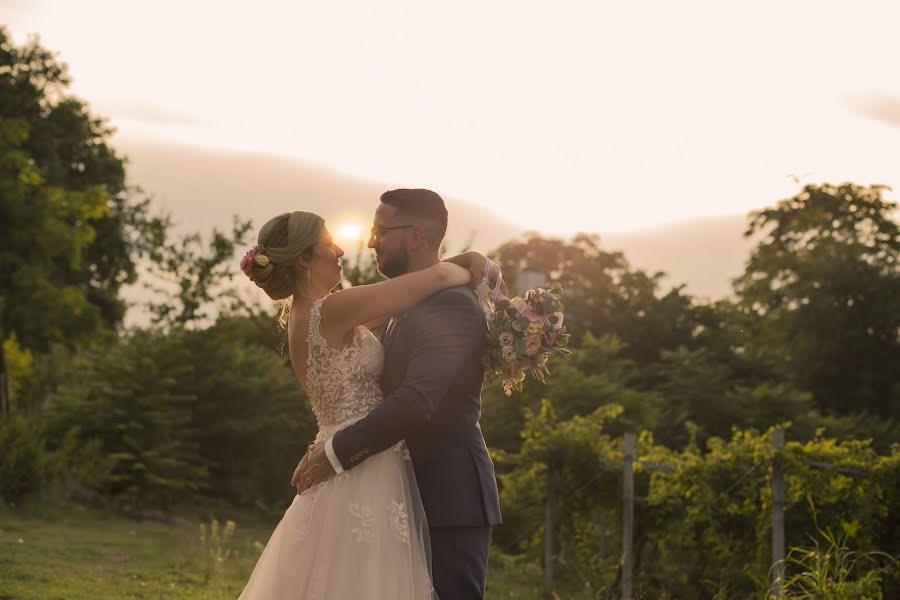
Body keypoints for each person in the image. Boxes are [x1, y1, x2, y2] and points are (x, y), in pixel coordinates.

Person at [238, 199, 501, 599]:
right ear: (305, 261)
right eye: (329, 243)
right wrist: (476, 260)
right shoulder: (334, 310)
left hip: (345, 459)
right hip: (362, 467)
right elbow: (437, 278)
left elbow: (409, 300)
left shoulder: (307, 318)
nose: (343, 249)